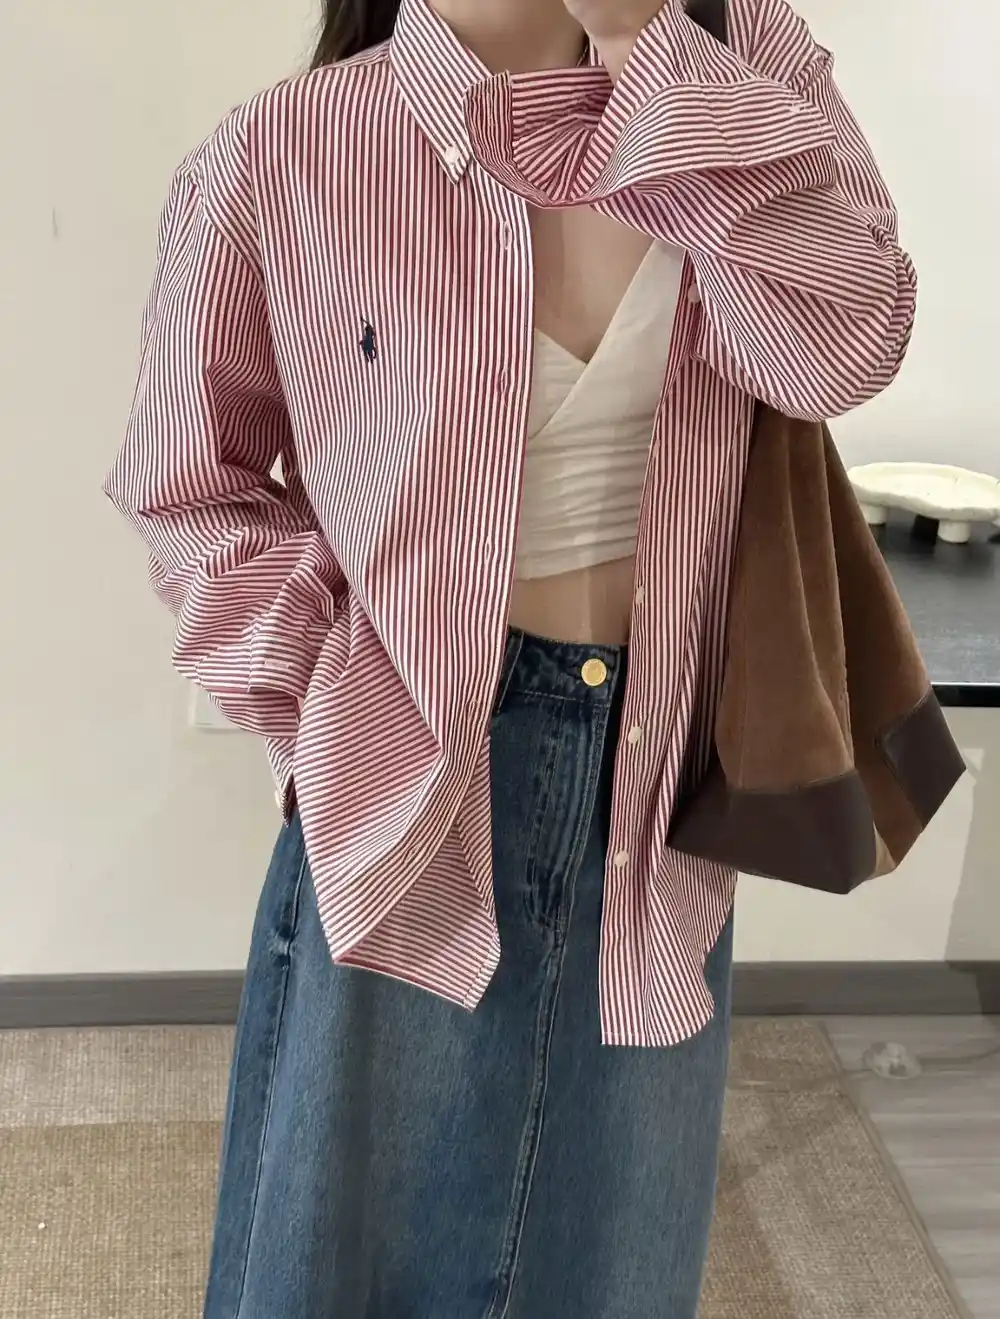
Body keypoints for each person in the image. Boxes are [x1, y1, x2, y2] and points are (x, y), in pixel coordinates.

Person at [104, 0, 915, 1314]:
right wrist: (332, 697)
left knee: (610, 1267)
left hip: (659, 792)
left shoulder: (744, 59)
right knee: (347, 1272)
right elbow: (185, 488)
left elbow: (843, 348)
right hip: (408, 782)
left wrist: (651, 55)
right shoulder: (288, 151)